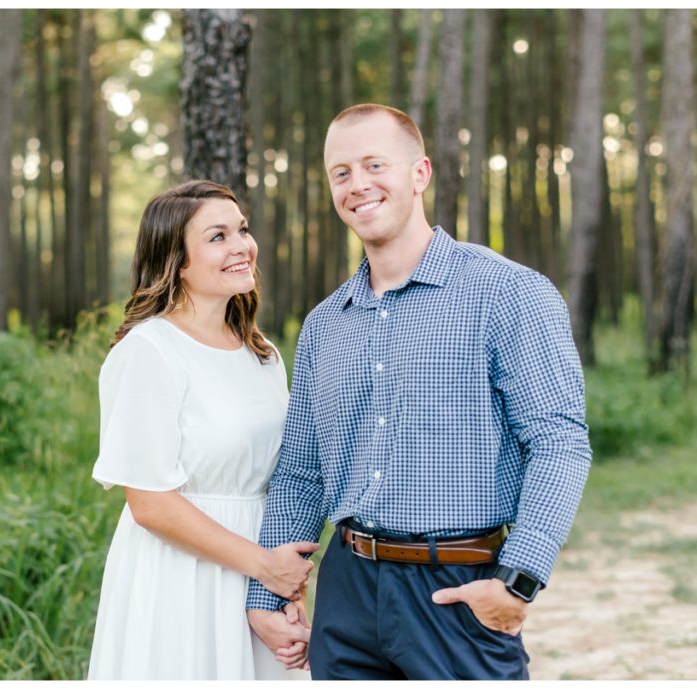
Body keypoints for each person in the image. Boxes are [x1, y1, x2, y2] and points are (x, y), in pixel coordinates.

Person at [246, 104, 593, 680]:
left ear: (420, 173)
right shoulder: (325, 324)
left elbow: (559, 443)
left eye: (374, 164)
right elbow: (301, 473)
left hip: (457, 590)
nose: (358, 185)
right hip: (347, 592)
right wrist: (264, 599)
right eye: (341, 173)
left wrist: (520, 580)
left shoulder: (508, 293)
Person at [87, 179, 316, 680]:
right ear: (177, 261)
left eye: (243, 230)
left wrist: (282, 588)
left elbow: (284, 479)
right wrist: (262, 565)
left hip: (258, 575)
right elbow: (150, 503)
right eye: (218, 237)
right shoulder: (149, 351)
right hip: (180, 576)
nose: (242, 246)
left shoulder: (264, 354)